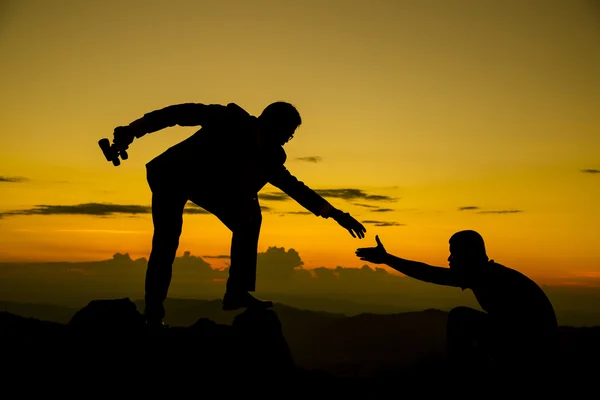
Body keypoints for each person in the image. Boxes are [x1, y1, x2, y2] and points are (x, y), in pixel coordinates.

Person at [111, 101, 366, 327]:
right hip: (172, 174)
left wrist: (334, 214)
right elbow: (178, 114)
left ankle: (236, 293)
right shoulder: (229, 118)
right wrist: (132, 130)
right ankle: (153, 313)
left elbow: (293, 186)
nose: (288, 139)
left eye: (290, 135)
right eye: (287, 132)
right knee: (166, 241)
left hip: (207, 184)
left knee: (250, 218)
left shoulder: (271, 155)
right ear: (269, 122)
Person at [355, 230, 559, 375]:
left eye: (454, 253)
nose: (449, 258)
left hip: (533, 347)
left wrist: (387, 259)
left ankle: (458, 373)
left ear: (468, 255)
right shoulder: (490, 273)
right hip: (532, 342)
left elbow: (429, 273)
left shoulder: (483, 275)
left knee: (459, 317)